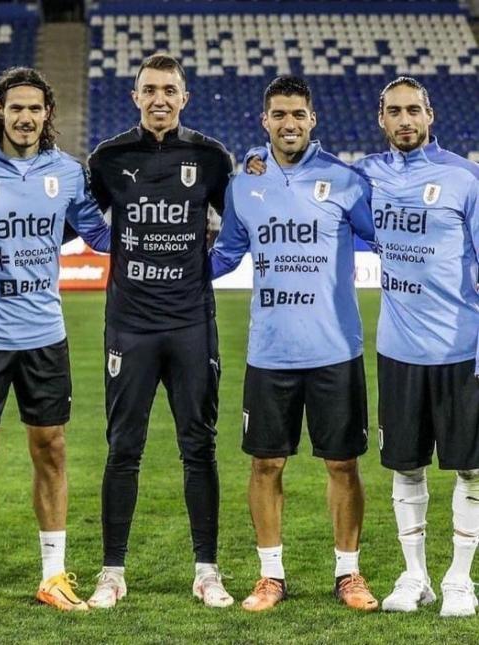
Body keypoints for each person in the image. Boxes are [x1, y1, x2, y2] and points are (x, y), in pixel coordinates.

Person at [0, 66, 110, 618]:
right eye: (16, 108)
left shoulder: (68, 173)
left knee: (51, 449)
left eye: (35, 108)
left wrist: (149, 223)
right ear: (0, 113)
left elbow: (97, 233)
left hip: (44, 337)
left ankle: (53, 574)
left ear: (47, 113)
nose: (26, 117)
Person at [210, 75, 378, 612]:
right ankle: (270, 576)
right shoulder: (245, 184)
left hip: (335, 350)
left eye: (298, 115)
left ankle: (348, 574)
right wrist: (169, 272)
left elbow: (389, 236)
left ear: (313, 120)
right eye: (279, 115)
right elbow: (225, 254)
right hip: (269, 353)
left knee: (343, 465)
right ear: (265, 121)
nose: (289, 124)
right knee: (265, 466)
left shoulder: (346, 181)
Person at [86, 53, 234, 608]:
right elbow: (86, 221)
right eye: (149, 89)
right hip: (130, 327)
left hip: (193, 324)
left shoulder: (210, 158)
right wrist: (116, 252)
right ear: (135, 95)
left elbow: (238, 226)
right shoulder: (108, 158)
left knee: (200, 447)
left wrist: (203, 269)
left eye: (169, 90)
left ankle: (207, 571)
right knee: (123, 448)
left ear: (184, 96)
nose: (159, 100)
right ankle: (112, 572)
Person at [352, 77, 479, 617]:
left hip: (462, 349)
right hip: (398, 348)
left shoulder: (464, 178)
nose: (405, 120)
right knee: (406, 467)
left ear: (430, 115)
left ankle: (459, 578)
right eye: (394, 111)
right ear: (381, 119)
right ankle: (416, 575)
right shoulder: (366, 178)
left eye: (414, 110)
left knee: (471, 469)